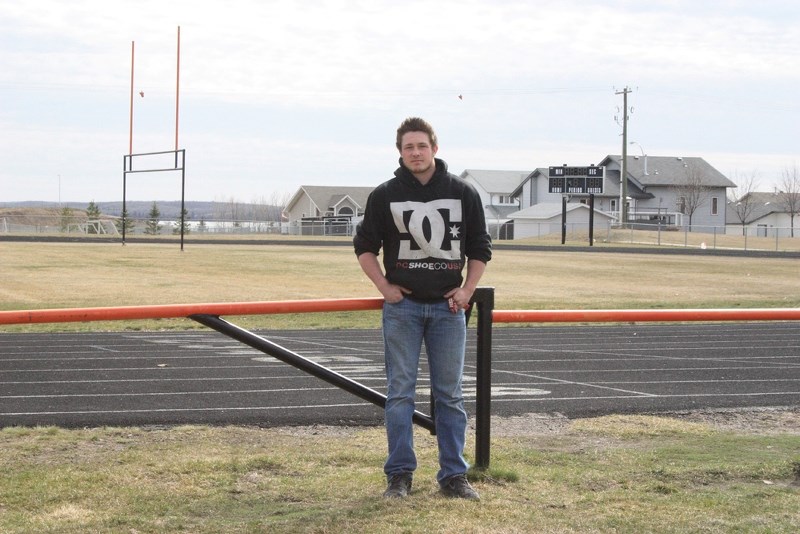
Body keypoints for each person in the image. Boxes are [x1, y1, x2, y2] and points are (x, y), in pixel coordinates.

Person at [353, 117, 492, 500]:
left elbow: (481, 248)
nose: (416, 153)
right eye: (408, 147)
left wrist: (467, 289)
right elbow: (364, 247)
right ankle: (399, 475)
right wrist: (384, 286)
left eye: (422, 146)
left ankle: (453, 476)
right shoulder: (385, 195)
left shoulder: (463, 193)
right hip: (404, 310)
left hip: (448, 311)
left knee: (449, 396)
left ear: (435, 147)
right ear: (400, 152)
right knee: (400, 394)